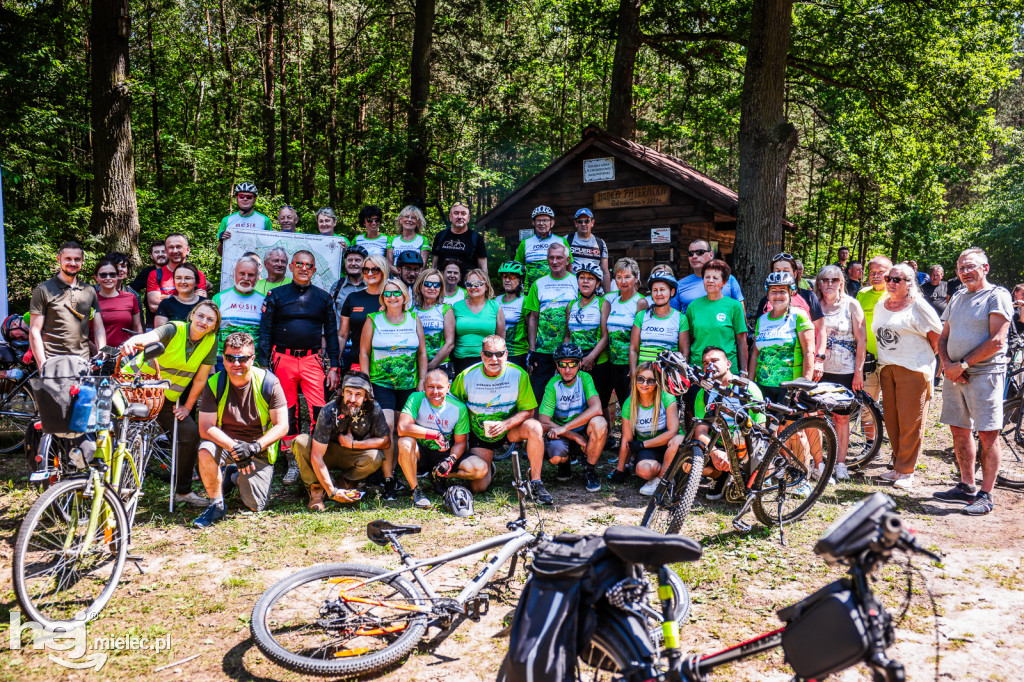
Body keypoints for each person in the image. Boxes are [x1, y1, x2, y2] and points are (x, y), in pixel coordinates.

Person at [934, 247, 1013, 515]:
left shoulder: (997, 295)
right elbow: (943, 336)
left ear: (985, 268)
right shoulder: (957, 297)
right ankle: (967, 485)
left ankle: (986, 494)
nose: (965, 272)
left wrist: (963, 364)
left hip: (984, 374)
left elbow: (997, 340)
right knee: (959, 430)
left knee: (989, 434)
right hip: (955, 375)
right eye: (960, 268)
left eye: (970, 266)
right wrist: (947, 364)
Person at [122, 301, 221, 506]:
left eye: (210, 319)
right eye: (201, 316)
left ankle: (183, 492)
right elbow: (150, 337)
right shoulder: (174, 328)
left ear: (214, 325)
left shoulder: (211, 341)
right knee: (125, 436)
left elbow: (201, 379)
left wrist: (188, 406)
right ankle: (114, 487)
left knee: (190, 434)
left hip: (165, 399)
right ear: (192, 315)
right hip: (134, 390)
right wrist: (134, 341)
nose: (204, 321)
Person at [258, 250, 341, 485]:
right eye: (299, 264)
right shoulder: (276, 295)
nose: (304, 268)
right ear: (291, 267)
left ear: (314, 269)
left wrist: (334, 366)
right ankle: (292, 460)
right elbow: (265, 331)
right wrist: (264, 365)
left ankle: (315, 457)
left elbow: (332, 334)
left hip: (312, 360)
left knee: (319, 410)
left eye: (309, 265)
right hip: (282, 359)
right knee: (288, 410)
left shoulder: (324, 298)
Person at [193, 332, 289, 527]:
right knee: (205, 450)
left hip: (257, 450)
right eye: (230, 358)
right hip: (226, 446)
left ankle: (233, 475)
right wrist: (236, 448)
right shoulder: (214, 383)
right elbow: (205, 428)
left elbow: (282, 425)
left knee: (255, 505)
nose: (236, 363)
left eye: (242, 358)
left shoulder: (269, 382)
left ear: (252, 359)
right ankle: (217, 505)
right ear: (224, 358)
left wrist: (253, 448)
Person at [450, 335, 548, 503]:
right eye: (488, 354)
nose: (494, 359)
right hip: (480, 434)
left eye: (499, 354)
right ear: (482, 355)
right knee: (479, 487)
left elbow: (528, 411)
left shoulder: (518, 374)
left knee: (534, 427)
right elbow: (453, 408)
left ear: (506, 354)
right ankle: (488, 466)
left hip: (509, 430)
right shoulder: (467, 376)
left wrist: (505, 424)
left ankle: (536, 481)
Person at [870, 263, 941, 490]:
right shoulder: (882, 305)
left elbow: (937, 339)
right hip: (887, 368)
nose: (891, 282)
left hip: (913, 369)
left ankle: (907, 471)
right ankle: (897, 467)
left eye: (897, 279)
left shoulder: (918, 305)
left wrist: (925, 362)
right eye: (889, 278)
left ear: (910, 283)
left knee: (911, 422)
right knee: (892, 420)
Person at [359, 278, 427, 500]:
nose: (392, 297)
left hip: (409, 384)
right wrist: (366, 382)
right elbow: (364, 353)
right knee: (387, 428)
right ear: (382, 298)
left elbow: (422, 353)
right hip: (381, 383)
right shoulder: (373, 319)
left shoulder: (413, 318)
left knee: (405, 430)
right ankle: (389, 480)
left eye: (397, 293)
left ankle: (408, 479)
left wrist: (422, 380)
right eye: (387, 294)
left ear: (404, 296)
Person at [293, 372, 389, 510]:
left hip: (352, 453)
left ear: (366, 397)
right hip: (326, 452)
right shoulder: (329, 411)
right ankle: (317, 491)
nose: (352, 399)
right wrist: (332, 492)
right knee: (301, 442)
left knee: (376, 457)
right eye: (348, 393)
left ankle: (344, 483)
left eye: (358, 394)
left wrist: (353, 444)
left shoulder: (373, 409)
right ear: (342, 393)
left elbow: (386, 441)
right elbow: (317, 456)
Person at [815, 264, 867, 481]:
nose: (829, 284)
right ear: (819, 283)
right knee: (815, 417)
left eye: (833, 280)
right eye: (824, 280)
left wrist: (858, 372)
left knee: (841, 418)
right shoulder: (814, 305)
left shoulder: (851, 305)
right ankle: (818, 463)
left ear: (841, 283)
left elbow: (861, 339)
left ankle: (841, 464)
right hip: (818, 371)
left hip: (844, 370)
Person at [692, 346, 766, 500]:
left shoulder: (748, 388)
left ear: (728, 364)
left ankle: (745, 476)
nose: (709, 366)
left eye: (714, 360)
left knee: (744, 496)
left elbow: (761, 430)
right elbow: (701, 432)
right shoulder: (704, 392)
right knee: (688, 464)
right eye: (705, 363)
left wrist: (737, 454)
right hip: (719, 444)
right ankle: (721, 477)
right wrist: (714, 452)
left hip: (745, 444)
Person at [396, 368, 471, 509]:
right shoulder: (416, 398)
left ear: (448, 387)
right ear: (424, 386)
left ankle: (439, 476)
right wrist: (435, 434)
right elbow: (402, 428)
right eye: (430, 387)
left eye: (439, 387)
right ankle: (415, 490)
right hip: (420, 453)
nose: (435, 392)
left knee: (478, 469)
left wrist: (451, 460)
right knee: (404, 442)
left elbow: (461, 443)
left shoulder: (458, 407)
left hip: (444, 454)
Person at [537, 343, 607, 492]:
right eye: (562, 364)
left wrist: (566, 428)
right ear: (556, 365)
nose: (567, 370)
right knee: (556, 458)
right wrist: (574, 436)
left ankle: (589, 471)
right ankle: (564, 462)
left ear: (580, 363)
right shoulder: (552, 384)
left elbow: (597, 408)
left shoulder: (585, 378)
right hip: (562, 432)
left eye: (573, 364)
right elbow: (543, 421)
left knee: (600, 423)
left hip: (576, 428)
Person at [608, 361, 683, 495]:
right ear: (635, 379)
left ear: (657, 382)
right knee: (643, 470)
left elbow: (673, 432)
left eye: (650, 380)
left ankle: (661, 479)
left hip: (667, 444)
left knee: (678, 440)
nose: (644, 384)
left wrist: (642, 444)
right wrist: (619, 470)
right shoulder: (629, 403)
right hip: (648, 449)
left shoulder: (667, 397)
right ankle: (669, 473)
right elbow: (627, 438)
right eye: (640, 379)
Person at [29, 242, 105, 367]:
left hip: (83, 362)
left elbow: (98, 327)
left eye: (77, 259)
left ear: (82, 261)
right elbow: (34, 331)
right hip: (53, 362)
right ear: (59, 259)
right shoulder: (43, 290)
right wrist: (42, 364)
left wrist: (101, 352)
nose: (73, 263)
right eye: (68, 259)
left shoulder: (89, 290)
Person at [755, 253, 826, 376]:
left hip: (802, 364)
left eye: (786, 271)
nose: (781, 274)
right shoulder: (765, 301)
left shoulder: (808, 296)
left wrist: (819, 359)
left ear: (795, 273)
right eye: (777, 271)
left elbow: (820, 329)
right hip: (770, 369)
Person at [525, 242, 579, 403]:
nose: (555, 262)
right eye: (551, 258)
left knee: (568, 395)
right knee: (539, 394)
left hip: (570, 350)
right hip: (543, 350)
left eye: (559, 258)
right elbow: (533, 318)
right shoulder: (538, 284)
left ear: (567, 260)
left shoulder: (576, 282)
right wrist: (532, 348)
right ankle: (537, 427)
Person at [749, 272, 815, 402]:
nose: (778, 295)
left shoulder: (799, 316)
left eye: (783, 291)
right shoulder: (762, 320)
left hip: (790, 387)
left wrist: (805, 385)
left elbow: (808, 352)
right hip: (763, 385)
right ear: (767, 294)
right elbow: (755, 354)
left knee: (789, 422)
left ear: (791, 293)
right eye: (773, 291)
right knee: (763, 422)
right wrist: (750, 384)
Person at [605, 258, 647, 445]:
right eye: (619, 277)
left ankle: (633, 447)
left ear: (636, 278)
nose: (623, 281)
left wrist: (635, 367)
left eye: (627, 277)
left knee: (631, 408)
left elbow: (641, 337)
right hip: (612, 362)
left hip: (630, 365)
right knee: (621, 405)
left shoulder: (640, 302)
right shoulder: (611, 299)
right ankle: (624, 445)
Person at [681, 259, 747, 375]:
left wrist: (744, 371)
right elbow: (688, 339)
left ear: (724, 282)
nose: (710, 281)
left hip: (727, 371)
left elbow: (741, 341)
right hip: (698, 371)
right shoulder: (693, 306)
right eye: (707, 277)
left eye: (715, 278)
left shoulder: (734, 306)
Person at [565, 263, 611, 409]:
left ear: (597, 283)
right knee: (577, 402)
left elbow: (605, 336)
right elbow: (568, 335)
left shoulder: (603, 304)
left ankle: (604, 431)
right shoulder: (571, 305)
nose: (585, 281)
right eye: (582, 278)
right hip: (575, 361)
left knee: (599, 404)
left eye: (590, 279)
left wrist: (591, 357)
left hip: (598, 361)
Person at [630, 271, 685, 375]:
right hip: (643, 375)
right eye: (655, 290)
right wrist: (633, 373)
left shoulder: (680, 318)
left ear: (672, 292)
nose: (658, 294)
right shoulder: (641, 316)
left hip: (668, 375)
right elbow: (633, 348)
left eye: (662, 290)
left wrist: (677, 374)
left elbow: (684, 352)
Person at [338, 253, 387, 370]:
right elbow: (342, 335)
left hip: (385, 365)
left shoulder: (390, 297)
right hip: (357, 362)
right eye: (366, 270)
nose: (369, 274)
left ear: (383, 271)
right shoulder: (353, 297)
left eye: (375, 270)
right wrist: (334, 366)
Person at [452, 269, 505, 375]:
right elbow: (450, 337)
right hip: (461, 360)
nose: (473, 287)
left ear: (486, 286)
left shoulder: (495, 307)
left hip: (488, 360)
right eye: (469, 284)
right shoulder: (456, 306)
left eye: (478, 284)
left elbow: (501, 338)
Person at [212, 257, 265, 361]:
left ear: (257, 277)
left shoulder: (264, 301)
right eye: (242, 273)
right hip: (222, 361)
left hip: (252, 362)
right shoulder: (219, 298)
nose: (246, 278)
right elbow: (211, 334)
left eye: (251, 275)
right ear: (233, 274)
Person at [857, 255, 894, 400]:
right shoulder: (862, 294)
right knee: (867, 405)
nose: (876, 275)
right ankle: (869, 424)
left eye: (881, 271)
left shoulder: (895, 294)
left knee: (891, 403)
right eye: (872, 272)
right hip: (868, 359)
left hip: (891, 360)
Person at [671, 239, 744, 313]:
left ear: (711, 255)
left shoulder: (728, 279)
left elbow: (740, 312)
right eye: (690, 253)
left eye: (700, 252)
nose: (694, 256)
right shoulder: (679, 285)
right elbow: (673, 317)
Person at [147, 233, 208, 317]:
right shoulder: (155, 274)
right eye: (171, 247)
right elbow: (153, 306)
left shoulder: (198, 274)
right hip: (164, 326)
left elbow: (200, 306)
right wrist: (187, 299)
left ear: (188, 250)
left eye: (179, 247)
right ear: (166, 251)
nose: (175, 251)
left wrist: (169, 298)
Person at [515, 205, 572, 288]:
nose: (541, 224)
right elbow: (517, 267)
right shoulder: (525, 243)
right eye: (538, 220)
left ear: (552, 223)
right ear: (533, 223)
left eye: (545, 220)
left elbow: (569, 266)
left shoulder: (562, 241)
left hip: (557, 287)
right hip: (531, 290)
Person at [411, 269, 455, 373]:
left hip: (440, 366)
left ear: (441, 288)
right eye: (427, 284)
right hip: (415, 368)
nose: (432, 288)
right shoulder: (411, 311)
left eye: (436, 285)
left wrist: (431, 366)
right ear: (420, 286)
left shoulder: (446, 310)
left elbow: (449, 343)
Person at [92, 259, 142, 349]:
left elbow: (137, 328)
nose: (108, 278)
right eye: (103, 275)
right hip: (96, 355)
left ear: (117, 276)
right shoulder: (90, 299)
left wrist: (139, 351)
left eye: (112, 274)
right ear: (96, 277)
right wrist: (95, 351)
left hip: (125, 353)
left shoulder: (130, 297)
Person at [431, 201, 488, 277]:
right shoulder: (440, 236)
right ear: (450, 217)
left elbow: (483, 269)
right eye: (456, 213)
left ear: (468, 218)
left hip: (467, 286)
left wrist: (483, 286)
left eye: (463, 214)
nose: (460, 217)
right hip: (443, 286)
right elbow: (434, 267)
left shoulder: (476, 238)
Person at [217, 182, 272, 254]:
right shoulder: (226, 220)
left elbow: (270, 250)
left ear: (255, 199)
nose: (245, 199)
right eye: (241, 196)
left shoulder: (265, 220)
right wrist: (222, 242)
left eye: (249, 197)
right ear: (236, 198)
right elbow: (221, 253)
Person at [568, 208, 611, 292]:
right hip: (573, 290)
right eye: (580, 221)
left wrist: (607, 295)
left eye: (587, 221)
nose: (583, 224)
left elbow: (605, 271)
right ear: (575, 223)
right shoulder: (567, 240)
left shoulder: (600, 243)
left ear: (592, 223)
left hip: (595, 291)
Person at [498, 261, 529, 370]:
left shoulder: (525, 301)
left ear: (520, 280)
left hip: (518, 354)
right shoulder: (496, 300)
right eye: (504, 276)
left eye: (511, 277)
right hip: (498, 353)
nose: (507, 280)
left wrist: (531, 353)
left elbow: (531, 329)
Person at [329, 244, 368, 321]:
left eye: (357, 260)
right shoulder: (337, 286)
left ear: (365, 263)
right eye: (350, 260)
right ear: (345, 262)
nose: (353, 263)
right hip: (340, 332)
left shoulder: (372, 286)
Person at [387, 205, 429, 273]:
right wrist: (402, 275)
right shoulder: (392, 240)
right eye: (406, 217)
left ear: (418, 222)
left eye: (413, 218)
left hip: (415, 278)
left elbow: (423, 265)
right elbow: (389, 265)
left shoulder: (423, 240)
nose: (409, 220)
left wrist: (410, 275)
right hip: (396, 279)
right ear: (400, 220)